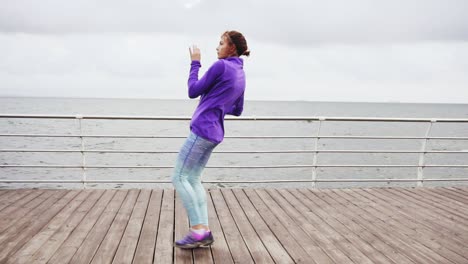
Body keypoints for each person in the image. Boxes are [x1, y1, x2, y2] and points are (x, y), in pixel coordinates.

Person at [172, 30, 250, 249]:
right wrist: (217, 102)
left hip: (202, 130)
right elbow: (238, 109)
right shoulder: (240, 71)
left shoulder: (220, 66)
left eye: (221, 43)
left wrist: (195, 63)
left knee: (179, 177)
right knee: (194, 179)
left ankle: (197, 230)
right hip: (215, 133)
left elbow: (192, 91)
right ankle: (204, 231)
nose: (217, 47)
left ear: (232, 48)